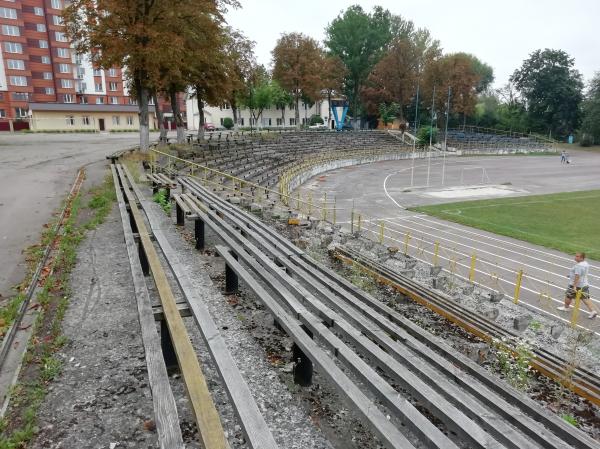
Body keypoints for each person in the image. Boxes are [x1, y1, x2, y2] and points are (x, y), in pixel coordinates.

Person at [557, 252, 598, 318]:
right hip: (584, 284)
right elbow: (581, 273)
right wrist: (570, 275)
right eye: (575, 256)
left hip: (577, 285)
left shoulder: (579, 266)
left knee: (568, 295)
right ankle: (593, 311)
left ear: (582, 258)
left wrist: (574, 286)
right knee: (585, 298)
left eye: (577, 256)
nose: (575, 257)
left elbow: (577, 276)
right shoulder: (585, 263)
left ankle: (566, 307)